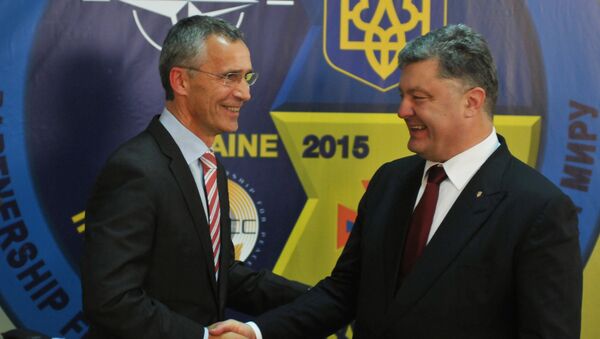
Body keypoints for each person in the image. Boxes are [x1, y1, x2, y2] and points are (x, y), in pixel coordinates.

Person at [209, 24, 583, 338]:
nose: (402, 111)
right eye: (403, 96)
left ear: (472, 101)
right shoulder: (391, 181)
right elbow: (344, 294)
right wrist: (259, 333)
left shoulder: (537, 209)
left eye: (418, 98)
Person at [81, 15, 307, 339]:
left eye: (247, 77)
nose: (245, 93)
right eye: (230, 77)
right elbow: (110, 301)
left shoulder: (209, 165)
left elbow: (221, 275)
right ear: (181, 81)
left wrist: (322, 301)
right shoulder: (135, 170)